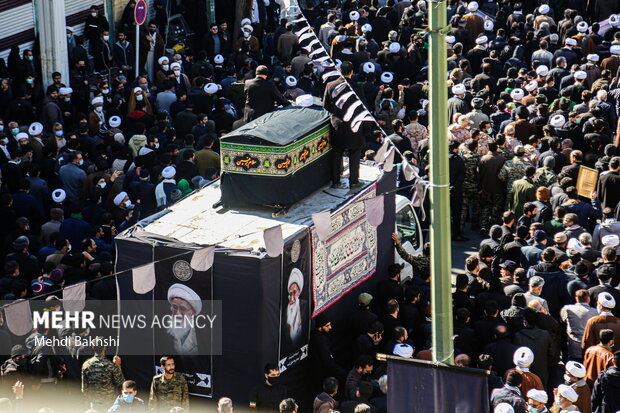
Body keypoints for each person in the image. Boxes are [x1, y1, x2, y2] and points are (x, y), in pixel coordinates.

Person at [323, 61, 366, 189]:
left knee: (337, 153)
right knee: (355, 153)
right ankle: (354, 181)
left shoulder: (330, 85)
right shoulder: (357, 87)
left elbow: (326, 107)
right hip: (354, 124)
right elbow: (363, 109)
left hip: (337, 125)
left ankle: (335, 182)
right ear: (352, 72)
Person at [81, 342, 124, 410]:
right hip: (109, 402)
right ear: (104, 348)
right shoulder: (110, 365)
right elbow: (120, 382)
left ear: (92, 347)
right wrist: (118, 365)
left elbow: (84, 389)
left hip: (94, 402)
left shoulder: (86, 365)